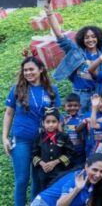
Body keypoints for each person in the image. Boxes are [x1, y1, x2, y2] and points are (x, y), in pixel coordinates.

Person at [4, 56, 61, 206]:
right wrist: (4, 138)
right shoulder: (17, 89)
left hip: (43, 141)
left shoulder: (51, 90)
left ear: (40, 70)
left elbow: (57, 116)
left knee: (38, 179)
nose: (28, 73)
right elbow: (9, 113)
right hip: (22, 140)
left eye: (31, 69)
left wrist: (58, 140)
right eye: (25, 70)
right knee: (22, 180)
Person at [30, 153, 102, 206]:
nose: (98, 175)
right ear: (86, 167)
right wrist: (77, 189)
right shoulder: (75, 178)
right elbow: (60, 204)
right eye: (94, 170)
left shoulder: (92, 183)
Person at [32, 108, 74, 190]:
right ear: (43, 123)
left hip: (60, 172)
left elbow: (70, 154)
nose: (51, 124)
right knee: (44, 193)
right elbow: (33, 154)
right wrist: (42, 163)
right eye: (48, 122)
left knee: (57, 192)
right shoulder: (39, 137)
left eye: (54, 121)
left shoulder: (64, 137)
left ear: (58, 123)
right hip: (43, 173)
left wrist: (55, 162)